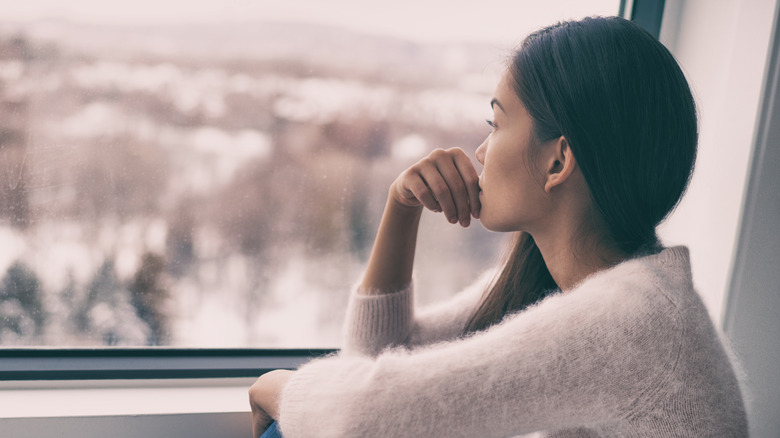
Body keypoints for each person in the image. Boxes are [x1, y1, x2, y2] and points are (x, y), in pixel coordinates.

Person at [248, 16, 748, 437]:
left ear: (558, 162)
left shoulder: (630, 321)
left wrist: (278, 386)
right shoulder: (571, 276)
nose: (482, 151)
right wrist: (401, 208)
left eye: (496, 124)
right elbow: (379, 358)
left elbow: (360, 420)